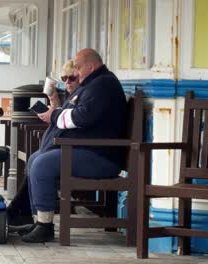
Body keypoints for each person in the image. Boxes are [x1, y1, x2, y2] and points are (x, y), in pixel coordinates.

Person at [17, 48, 128, 243]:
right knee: (35, 159)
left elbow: (82, 117)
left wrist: (53, 115)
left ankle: (45, 227)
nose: (75, 73)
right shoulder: (92, 84)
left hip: (101, 156)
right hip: (87, 150)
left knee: (43, 164)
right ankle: (38, 220)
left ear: (90, 66)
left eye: (77, 68)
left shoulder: (103, 85)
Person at [6, 59, 81, 227]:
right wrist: (53, 99)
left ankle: (30, 216)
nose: (68, 82)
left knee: (40, 162)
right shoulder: (73, 96)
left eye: (72, 78)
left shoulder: (82, 96)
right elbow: (60, 116)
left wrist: (53, 113)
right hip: (58, 144)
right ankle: (25, 212)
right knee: (35, 159)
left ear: (80, 76)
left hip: (71, 148)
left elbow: (68, 120)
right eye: (64, 78)